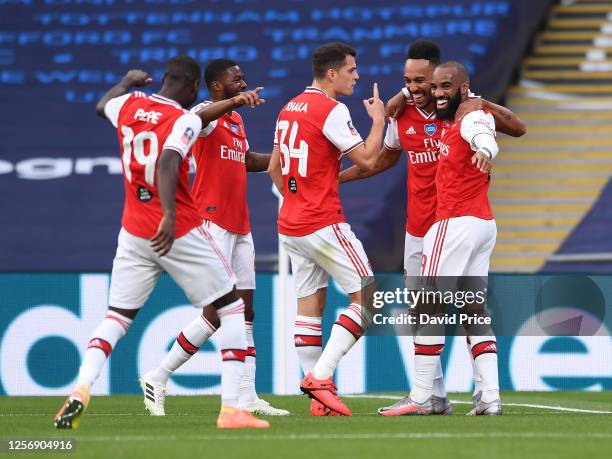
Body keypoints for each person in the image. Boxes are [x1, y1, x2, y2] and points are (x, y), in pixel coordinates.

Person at [53, 56, 269, 430]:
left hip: (134, 231)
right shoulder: (184, 118)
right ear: (191, 88)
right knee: (231, 308)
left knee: (116, 317)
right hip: (179, 228)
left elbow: (102, 106)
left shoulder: (129, 104)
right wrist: (168, 213)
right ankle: (233, 409)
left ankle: (81, 386)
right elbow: (169, 161)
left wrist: (126, 81)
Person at [338, 40, 525, 416]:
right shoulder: (404, 113)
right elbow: (384, 160)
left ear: (444, 80)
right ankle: (456, 397)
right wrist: (333, 180)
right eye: (410, 81)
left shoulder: (464, 109)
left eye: (425, 81)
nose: (421, 88)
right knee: (446, 309)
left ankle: (420, 395)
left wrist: (485, 138)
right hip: (424, 226)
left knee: (429, 309)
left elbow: (502, 130)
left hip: (449, 223)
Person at [139, 59, 289, 417]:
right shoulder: (205, 114)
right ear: (217, 86)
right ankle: (159, 375)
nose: (244, 84)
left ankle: (248, 396)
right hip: (212, 224)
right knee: (219, 312)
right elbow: (200, 119)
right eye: (236, 80)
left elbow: (246, 159)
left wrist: (279, 159)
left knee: (247, 311)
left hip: (240, 226)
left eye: (243, 79)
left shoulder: (236, 121)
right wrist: (237, 102)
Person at [268, 42, 386, 416]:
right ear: (332, 73)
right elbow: (368, 159)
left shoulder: (288, 108)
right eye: (352, 70)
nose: (357, 75)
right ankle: (320, 377)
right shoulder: (331, 109)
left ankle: (319, 402)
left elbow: (275, 167)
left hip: (291, 223)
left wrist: (302, 193)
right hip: (322, 221)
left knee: (310, 306)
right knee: (367, 297)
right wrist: (379, 118)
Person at [406, 60, 502, 416]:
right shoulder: (455, 120)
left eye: (446, 86)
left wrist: (485, 151)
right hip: (482, 223)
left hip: (457, 221)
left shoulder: (471, 114)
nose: (438, 93)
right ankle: (490, 398)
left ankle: (420, 398)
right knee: (474, 310)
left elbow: (484, 136)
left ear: (464, 88)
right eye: (435, 87)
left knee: (428, 306)